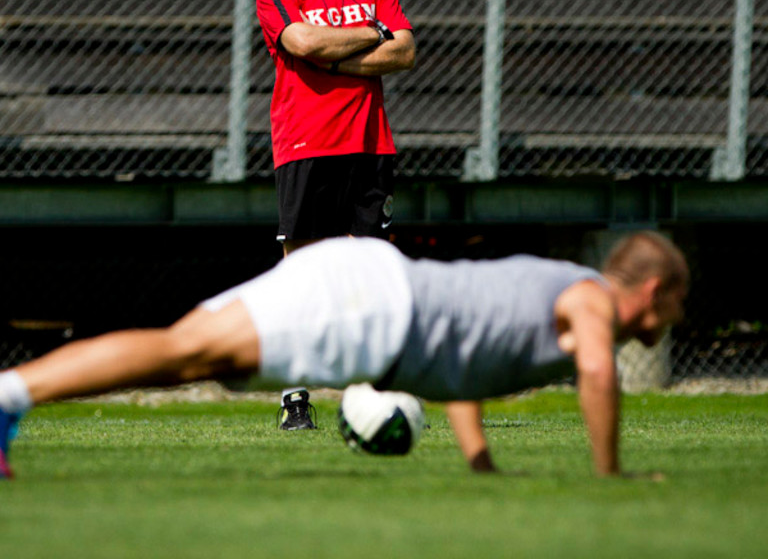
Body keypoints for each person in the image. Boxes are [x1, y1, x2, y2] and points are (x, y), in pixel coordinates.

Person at [0, 230, 688, 480]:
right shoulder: (590, 298)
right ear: (654, 290)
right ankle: (8, 395)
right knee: (181, 353)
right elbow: (597, 369)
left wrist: (481, 463)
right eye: (681, 302)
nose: (681, 317)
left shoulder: (560, 295)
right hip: (366, 305)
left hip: (364, 294)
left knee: (184, 356)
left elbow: (466, 368)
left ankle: (11, 399)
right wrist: (610, 476)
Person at [255, 0, 416, 428]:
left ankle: (367, 392)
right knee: (302, 273)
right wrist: (373, 33)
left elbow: (406, 52)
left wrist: (333, 56)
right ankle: (295, 394)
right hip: (305, 140)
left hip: (371, 141)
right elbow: (298, 40)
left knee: (372, 271)